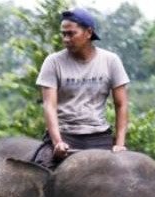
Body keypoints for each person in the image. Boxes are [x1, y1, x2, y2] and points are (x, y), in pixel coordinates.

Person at [31, 7, 130, 169]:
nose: (66, 39)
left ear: (88, 33)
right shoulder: (53, 62)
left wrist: (119, 144)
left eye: (71, 34)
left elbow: (122, 104)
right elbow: (49, 105)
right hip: (65, 135)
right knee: (39, 174)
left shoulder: (111, 61)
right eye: (63, 34)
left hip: (99, 137)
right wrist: (58, 143)